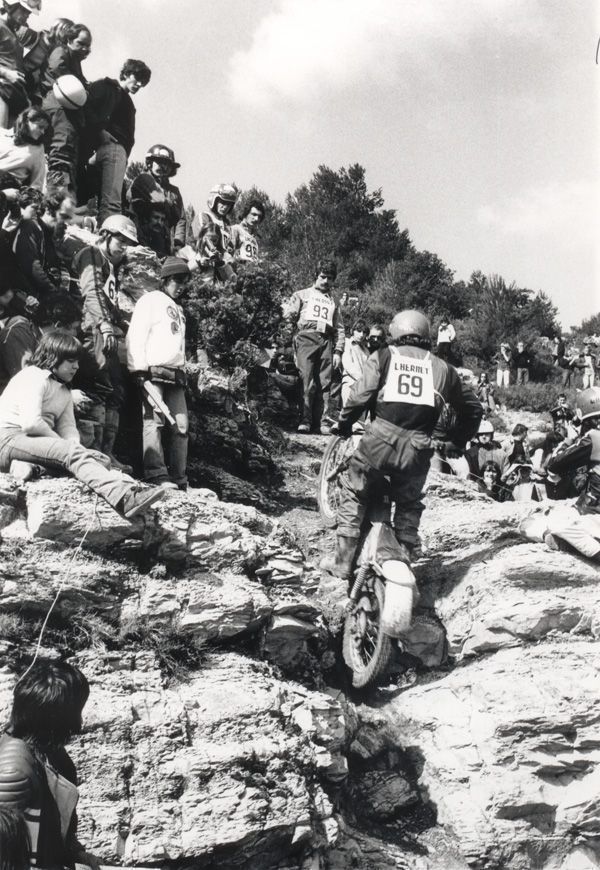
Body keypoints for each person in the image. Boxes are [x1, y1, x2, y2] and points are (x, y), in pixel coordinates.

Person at [322, 310, 482, 579]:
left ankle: (342, 561)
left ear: (396, 332)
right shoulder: (444, 369)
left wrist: (345, 423)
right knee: (409, 502)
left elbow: (360, 396)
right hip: (418, 449)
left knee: (354, 491)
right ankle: (405, 554)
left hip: (379, 441)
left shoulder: (384, 356)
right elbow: (474, 409)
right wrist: (456, 441)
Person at [0, 330, 165, 517]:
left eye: (77, 361)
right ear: (54, 358)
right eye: (71, 361)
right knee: (71, 454)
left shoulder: (63, 390)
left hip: (32, 444)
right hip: (8, 439)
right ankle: (123, 498)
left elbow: (68, 427)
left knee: (100, 460)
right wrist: (65, 447)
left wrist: (75, 446)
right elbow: (31, 423)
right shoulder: (34, 376)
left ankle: (33, 468)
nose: (77, 366)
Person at [0, 660, 100, 870]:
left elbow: (53, 828)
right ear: (56, 717)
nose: (80, 722)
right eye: (77, 711)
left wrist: (75, 854)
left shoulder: (47, 750)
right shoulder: (13, 770)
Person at [73, 213, 138, 469]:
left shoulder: (111, 266)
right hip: (92, 328)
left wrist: (121, 322)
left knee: (116, 391)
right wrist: (103, 324)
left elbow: (109, 300)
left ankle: (108, 453)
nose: (123, 247)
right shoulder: (91, 254)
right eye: (120, 241)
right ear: (106, 235)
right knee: (97, 385)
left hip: (106, 329)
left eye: (127, 243)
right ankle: (94, 452)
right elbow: (91, 291)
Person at [127, 256, 190, 490]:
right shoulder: (150, 300)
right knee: (154, 421)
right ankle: (156, 475)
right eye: (177, 280)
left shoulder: (178, 309)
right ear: (165, 279)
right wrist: (138, 368)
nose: (181, 286)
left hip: (176, 374)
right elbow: (136, 334)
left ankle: (180, 478)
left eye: (184, 282)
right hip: (153, 371)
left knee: (181, 426)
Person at [529, 388, 600, 561]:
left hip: (595, 512)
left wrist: (569, 439)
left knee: (553, 523)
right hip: (593, 510)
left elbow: (554, 465)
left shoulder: (593, 437)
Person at [82, 58, 151, 224]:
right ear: (127, 74)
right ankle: (109, 233)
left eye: (143, 82)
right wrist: (100, 131)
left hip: (108, 152)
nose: (139, 84)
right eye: (137, 78)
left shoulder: (125, 99)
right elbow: (85, 105)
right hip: (111, 149)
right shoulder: (107, 87)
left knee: (97, 199)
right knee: (111, 203)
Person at [283, 259, 345, 435]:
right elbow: (289, 319)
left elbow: (340, 328)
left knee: (325, 382)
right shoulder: (301, 295)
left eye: (330, 278)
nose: (326, 281)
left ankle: (322, 422)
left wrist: (338, 351)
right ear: (316, 276)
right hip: (306, 338)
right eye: (323, 277)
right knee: (306, 380)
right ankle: (305, 420)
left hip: (326, 340)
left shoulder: (334, 301)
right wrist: (287, 343)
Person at [41, 22, 91, 193]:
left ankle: (63, 195)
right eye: (81, 43)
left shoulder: (75, 61)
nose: (85, 49)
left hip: (68, 110)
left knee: (67, 155)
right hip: (60, 106)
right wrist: (79, 87)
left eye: (88, 46)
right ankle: (56, 195)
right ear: (69, 40)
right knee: (61, 152)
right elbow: (57, 68)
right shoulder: (61, 50)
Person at [13, 188, 73, 299]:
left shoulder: (44, 228)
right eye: (63, 216)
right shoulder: (30, 226)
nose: (65, 223)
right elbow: (33, 267)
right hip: (30, 291)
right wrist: (54, 291)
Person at [129, 143, 186, 257]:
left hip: (163, 239)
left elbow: (181, 219)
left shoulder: (174, 192)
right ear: (150, 163)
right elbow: (133, 209)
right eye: (159, 162)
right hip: (141, 235)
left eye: (167, 164)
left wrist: (178, 243)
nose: (163, 167)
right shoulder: (142, 181)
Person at [0, 0, 39, 127]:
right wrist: (6, 73)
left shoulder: (13, 32)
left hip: (14, 93)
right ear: (10, 6)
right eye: (23, 11)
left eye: (28, 13)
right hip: (2, 91)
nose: (27, 15)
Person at [194, 182, 237, 284]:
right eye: (222, 202)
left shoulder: (227, 224)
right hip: (205, 268)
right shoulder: (204, 216)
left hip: (222, 269)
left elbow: (230, 247)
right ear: (214, 200)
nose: (225, 207)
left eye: (229, 204)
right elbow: (202, 242)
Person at [0, 105, 50, 189]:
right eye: (40, 127)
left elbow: (37, 183)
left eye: (45, 129)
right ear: (27, 121)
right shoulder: (2, 135)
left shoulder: (38, 149)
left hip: (9, 186)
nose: (43, 132)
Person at [341, 319, 368, 405]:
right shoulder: (347, 343)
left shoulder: (366, 351)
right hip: (350, 383)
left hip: (363, 387)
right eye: (359, 331)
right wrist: (363, 381)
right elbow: (348, 365)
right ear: (353, 331)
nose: (361, 335)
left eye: (364, 332)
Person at [230, 199, 264, 264]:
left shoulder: (257, 237)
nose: (256, 219)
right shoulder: (236, 229)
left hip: (253, 269)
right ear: (246, 213)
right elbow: (229, 254)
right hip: (238, 268)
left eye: (259, 216)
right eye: (253, 214)